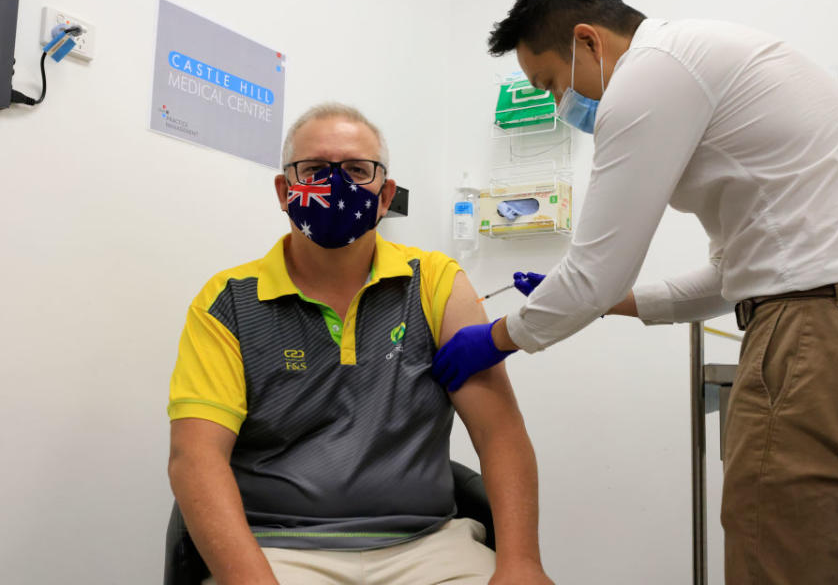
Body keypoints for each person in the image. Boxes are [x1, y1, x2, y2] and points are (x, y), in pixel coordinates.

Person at [431, 0, 838, 585]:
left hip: (823, 344)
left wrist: (495, 338)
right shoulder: (713, 57)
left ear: (587, 42)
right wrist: (606, 301)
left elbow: (594, 270)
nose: (560, 103)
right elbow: (726, 278)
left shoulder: (649, 76)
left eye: (549, 84)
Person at [168, 103, 552, 585]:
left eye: (355, 170)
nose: (336, 184)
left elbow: (500, 434)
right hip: (279, 550)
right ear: (285, 192)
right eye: (314, 170)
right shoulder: (227, 303)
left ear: (385, 193)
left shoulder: (434, 282)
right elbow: (195, 458)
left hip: (428, 547)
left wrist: (521, 563)